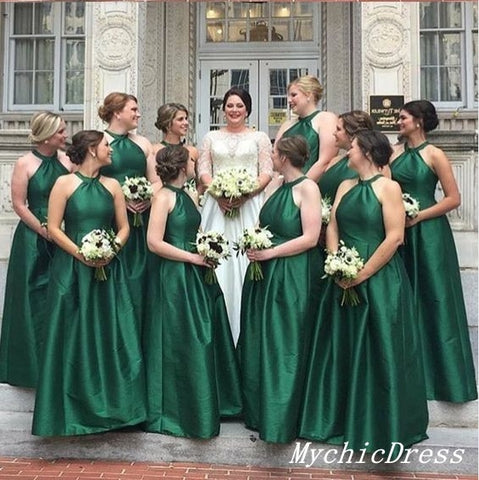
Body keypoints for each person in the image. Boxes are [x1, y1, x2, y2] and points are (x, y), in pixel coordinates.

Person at [299, 129, 428, 452]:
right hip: (342, 276)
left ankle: (379, 424)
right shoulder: (344, 186)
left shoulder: (389, 188)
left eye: (352, 148)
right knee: (340, 347)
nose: (348, 153)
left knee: (378, 348)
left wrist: (362, 273)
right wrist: (335, 262)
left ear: (368, 152)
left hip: (379, 278)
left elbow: (395, 237)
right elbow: (333, 227)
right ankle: (338, 419)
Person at [32, 130, 146, 436]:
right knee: (72, 335)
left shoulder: (113, 186)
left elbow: (123, 228)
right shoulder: (64, 184)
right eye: (107, 146)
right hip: (72, 270)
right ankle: (71, 412)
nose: (112, 150)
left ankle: (118, 411)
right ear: (93, 150)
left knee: (113, 334)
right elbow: (54, 229)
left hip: (110, 269)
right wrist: (81, 254)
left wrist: (112, 249)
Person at [143, 145, 242, 438]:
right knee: (177, 339)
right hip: (173, 276)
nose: (194, 163)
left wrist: (206, 250)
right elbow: (154, 242)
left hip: (195, 272)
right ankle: (173, 413)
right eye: (190, 160)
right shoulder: (162, 197)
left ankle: (205, 403)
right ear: (180, 165)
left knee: (199, 336)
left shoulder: (185, 194)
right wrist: (193, 258)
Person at [390, 100, 477, 402]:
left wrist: (420, 215)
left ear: (419, 121)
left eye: (403, 118)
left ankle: (445, 380)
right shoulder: (395, 153)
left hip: (429, 234)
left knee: (435, 296)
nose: (398, 122)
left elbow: (454, 199)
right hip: (400, 232)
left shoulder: (435, 154)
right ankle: (412, 376)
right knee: (405, 298)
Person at [237, 135, 322, 443]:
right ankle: (261, 410)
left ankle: (285, 416)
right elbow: (263, 225)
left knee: (286, 340)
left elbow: (311, 237)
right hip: (265, 274)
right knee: (263, 338)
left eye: (274, 152)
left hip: (292, 274)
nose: (270, 156)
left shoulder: (307, 188)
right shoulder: (275, 186)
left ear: (285, 157)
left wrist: (269, 252)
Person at [0, 112, 74, 388]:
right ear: (46, 134)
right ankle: (27, 366)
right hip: (33, 238)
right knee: (31, 297)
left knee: (60, 295)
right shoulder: (24, 163)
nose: (65, 136)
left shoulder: (67, 161)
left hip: (63, 233)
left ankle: (57, 361)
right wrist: (44, 230)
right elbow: (19, 204)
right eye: (61, 132)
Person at [198, 87, 273, 344]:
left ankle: (248, 320)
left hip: (249, 204)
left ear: (248, 109)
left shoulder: (260, 138)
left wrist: (245, 194)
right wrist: (218, 193)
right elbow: (204, 170)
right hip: (216, 204)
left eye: (239, 105)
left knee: (248, 254)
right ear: (223, 109)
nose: (234, 110)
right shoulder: (210, 137)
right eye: (229, 105)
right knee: (216, 255)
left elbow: (266, 172)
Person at [98, 92, 159, 330]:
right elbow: (90, 177)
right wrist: (120, 201)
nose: (138, 114)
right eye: (133, 110)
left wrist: (146, 197)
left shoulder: (142, 143)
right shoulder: (99, 141)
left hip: (142, 216)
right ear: (117, 113)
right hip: (111, 217)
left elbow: (156, 180)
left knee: (143, 275)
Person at [275, 75, 338, 181]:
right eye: (288, 96)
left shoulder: (326, 119)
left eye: (294, 95)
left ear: (308, 95)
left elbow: (325, 160)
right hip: (285, 184)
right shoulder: (287, 125)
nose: (289, 100)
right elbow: (276, 156)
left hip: (313, 184)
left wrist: (301, 185)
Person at [319, 110, 375, 202]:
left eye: (338, 129)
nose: (334, 133)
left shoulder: (373, 164)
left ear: (351, 133)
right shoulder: (335, 161)